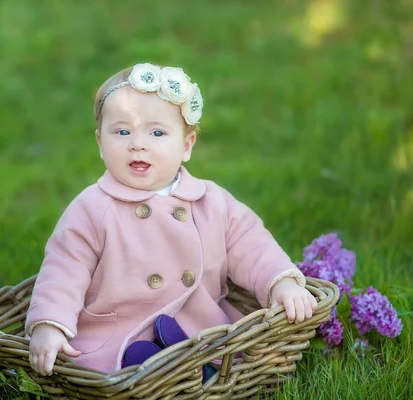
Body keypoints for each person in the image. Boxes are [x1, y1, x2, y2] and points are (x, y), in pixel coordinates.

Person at [25, 63, 318, 376]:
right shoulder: (91, 208)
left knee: (210, 351)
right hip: (118, 331)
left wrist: (282, 281)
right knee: (125, 364)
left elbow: (252, 243)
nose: (138, 143)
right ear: (100, 143)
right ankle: (148, 370)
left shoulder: (210, 201)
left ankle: (191, 370)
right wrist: (49, 323)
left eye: (157, 132)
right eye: (122, 131)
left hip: (198, 327)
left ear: (186, 145)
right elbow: (64, 268)